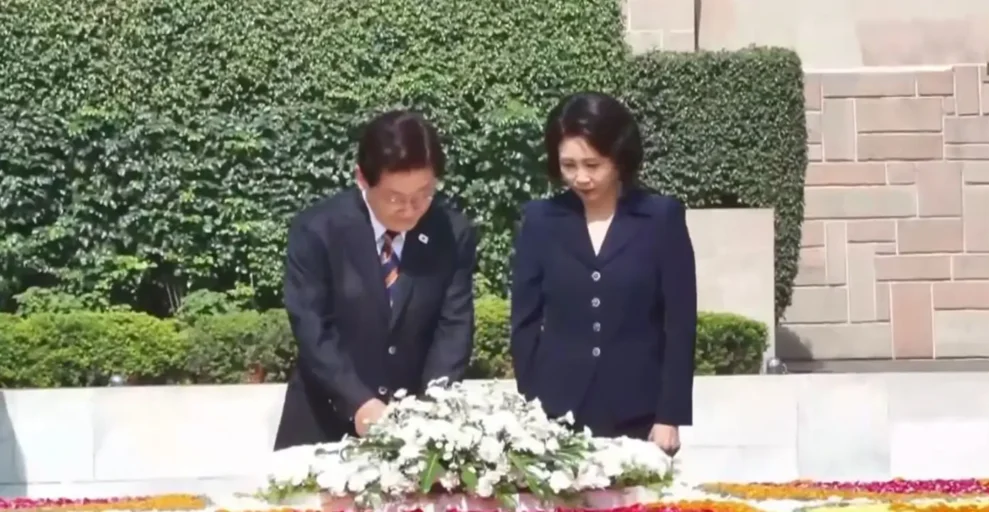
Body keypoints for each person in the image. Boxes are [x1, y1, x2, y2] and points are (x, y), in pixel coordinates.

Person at [273, 110, 477, 450]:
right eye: (396, 198)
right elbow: (312, 329)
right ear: (362, 179)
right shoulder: (318, 230)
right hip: (323, 419)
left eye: (424, 194)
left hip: (415, 427)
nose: (411, 209)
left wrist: (430, 409)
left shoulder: (451, 233)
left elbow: (453, 327)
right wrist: (359, 402)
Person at [509, 92, 696, 455]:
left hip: (638, 412)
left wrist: (669, 415)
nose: (581, 178)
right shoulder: (540, 220)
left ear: (619, 158)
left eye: (593, 165)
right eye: (569, 165)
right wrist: (530, 402)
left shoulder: (661, 219)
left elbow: (679, 323)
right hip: (555, 411)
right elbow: (525, 321)